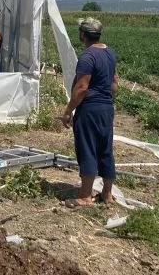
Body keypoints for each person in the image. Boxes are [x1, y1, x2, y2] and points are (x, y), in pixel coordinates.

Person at [61, 17, 120, 207]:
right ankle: (107, 194)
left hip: (90, 109)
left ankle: (86, 196)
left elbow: (82, 88)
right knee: (105, 149)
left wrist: (69, 110)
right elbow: (115, 84)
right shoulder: (110, 53)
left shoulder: (88, 57)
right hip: (106, 108)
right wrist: (107, 102)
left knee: (87, 148)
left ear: (83, 34)